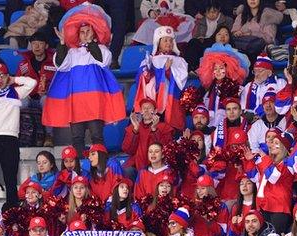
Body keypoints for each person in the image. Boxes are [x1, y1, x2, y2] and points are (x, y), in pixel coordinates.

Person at [43, 7, 126, 155]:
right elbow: (60, 64)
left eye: (88, 31)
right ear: (77, 34)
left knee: (97, 137)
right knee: (77, 139)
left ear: (94, 32)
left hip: (95, 102)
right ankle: (80, 173)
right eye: (82, 32)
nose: (85, 34)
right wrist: (62, 43)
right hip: (76, 103)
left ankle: (99, 171)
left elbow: (103, 60)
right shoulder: (72, 52)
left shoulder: (101, 49)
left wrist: (91, 44)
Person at [0, 62, 37, 209]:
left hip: (10, 138)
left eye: (2, 75)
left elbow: (32, 83)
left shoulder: (16, 92)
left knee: (10, 176)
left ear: (7, 76)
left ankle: (12, 208)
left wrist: (14, 79)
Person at [133, 25, 188, 131]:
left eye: (171, 41)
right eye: (165, 40)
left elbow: (181, 81)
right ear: (158, 43)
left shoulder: (180, 61)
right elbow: (140, 79)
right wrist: (148, 73)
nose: (169, 43)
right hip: (153, 102)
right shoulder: (149, 60)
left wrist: (167, 71)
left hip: (170, 101)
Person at [244, 130, 294, 234]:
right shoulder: (270, 163)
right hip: (264, 207)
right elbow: (253, 176)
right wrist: (250, 160)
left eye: (276, 143)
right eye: (271, 142)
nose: (271, 145)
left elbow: (272, 177)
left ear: (284, 147)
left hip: (279, 209)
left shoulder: (286, 163)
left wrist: (264, 157)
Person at [15, 32, 56, 146]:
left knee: (46, 101)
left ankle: (49, 136)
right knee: (17, 103)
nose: (37, 47)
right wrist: (23, 93)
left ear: (46, 46)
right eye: (34, 44)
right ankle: (16, 136)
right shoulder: (24, 64)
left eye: (40, 44)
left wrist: (49, 92)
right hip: (28, 98)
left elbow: (60, 83)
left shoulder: (54, 62)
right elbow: (16, 83)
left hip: (46, 97)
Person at [122, 98, 175, 179]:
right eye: (144, 108)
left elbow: (166, 149)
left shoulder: (164, 127)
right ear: (141, 112)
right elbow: (128, 150)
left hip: (158, 166)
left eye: (149, 108)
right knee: (127, 171)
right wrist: (135, 129)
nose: (146, 110)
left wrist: (154, 129)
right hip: (136, 166)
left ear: (156, 111)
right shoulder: (133, 127)